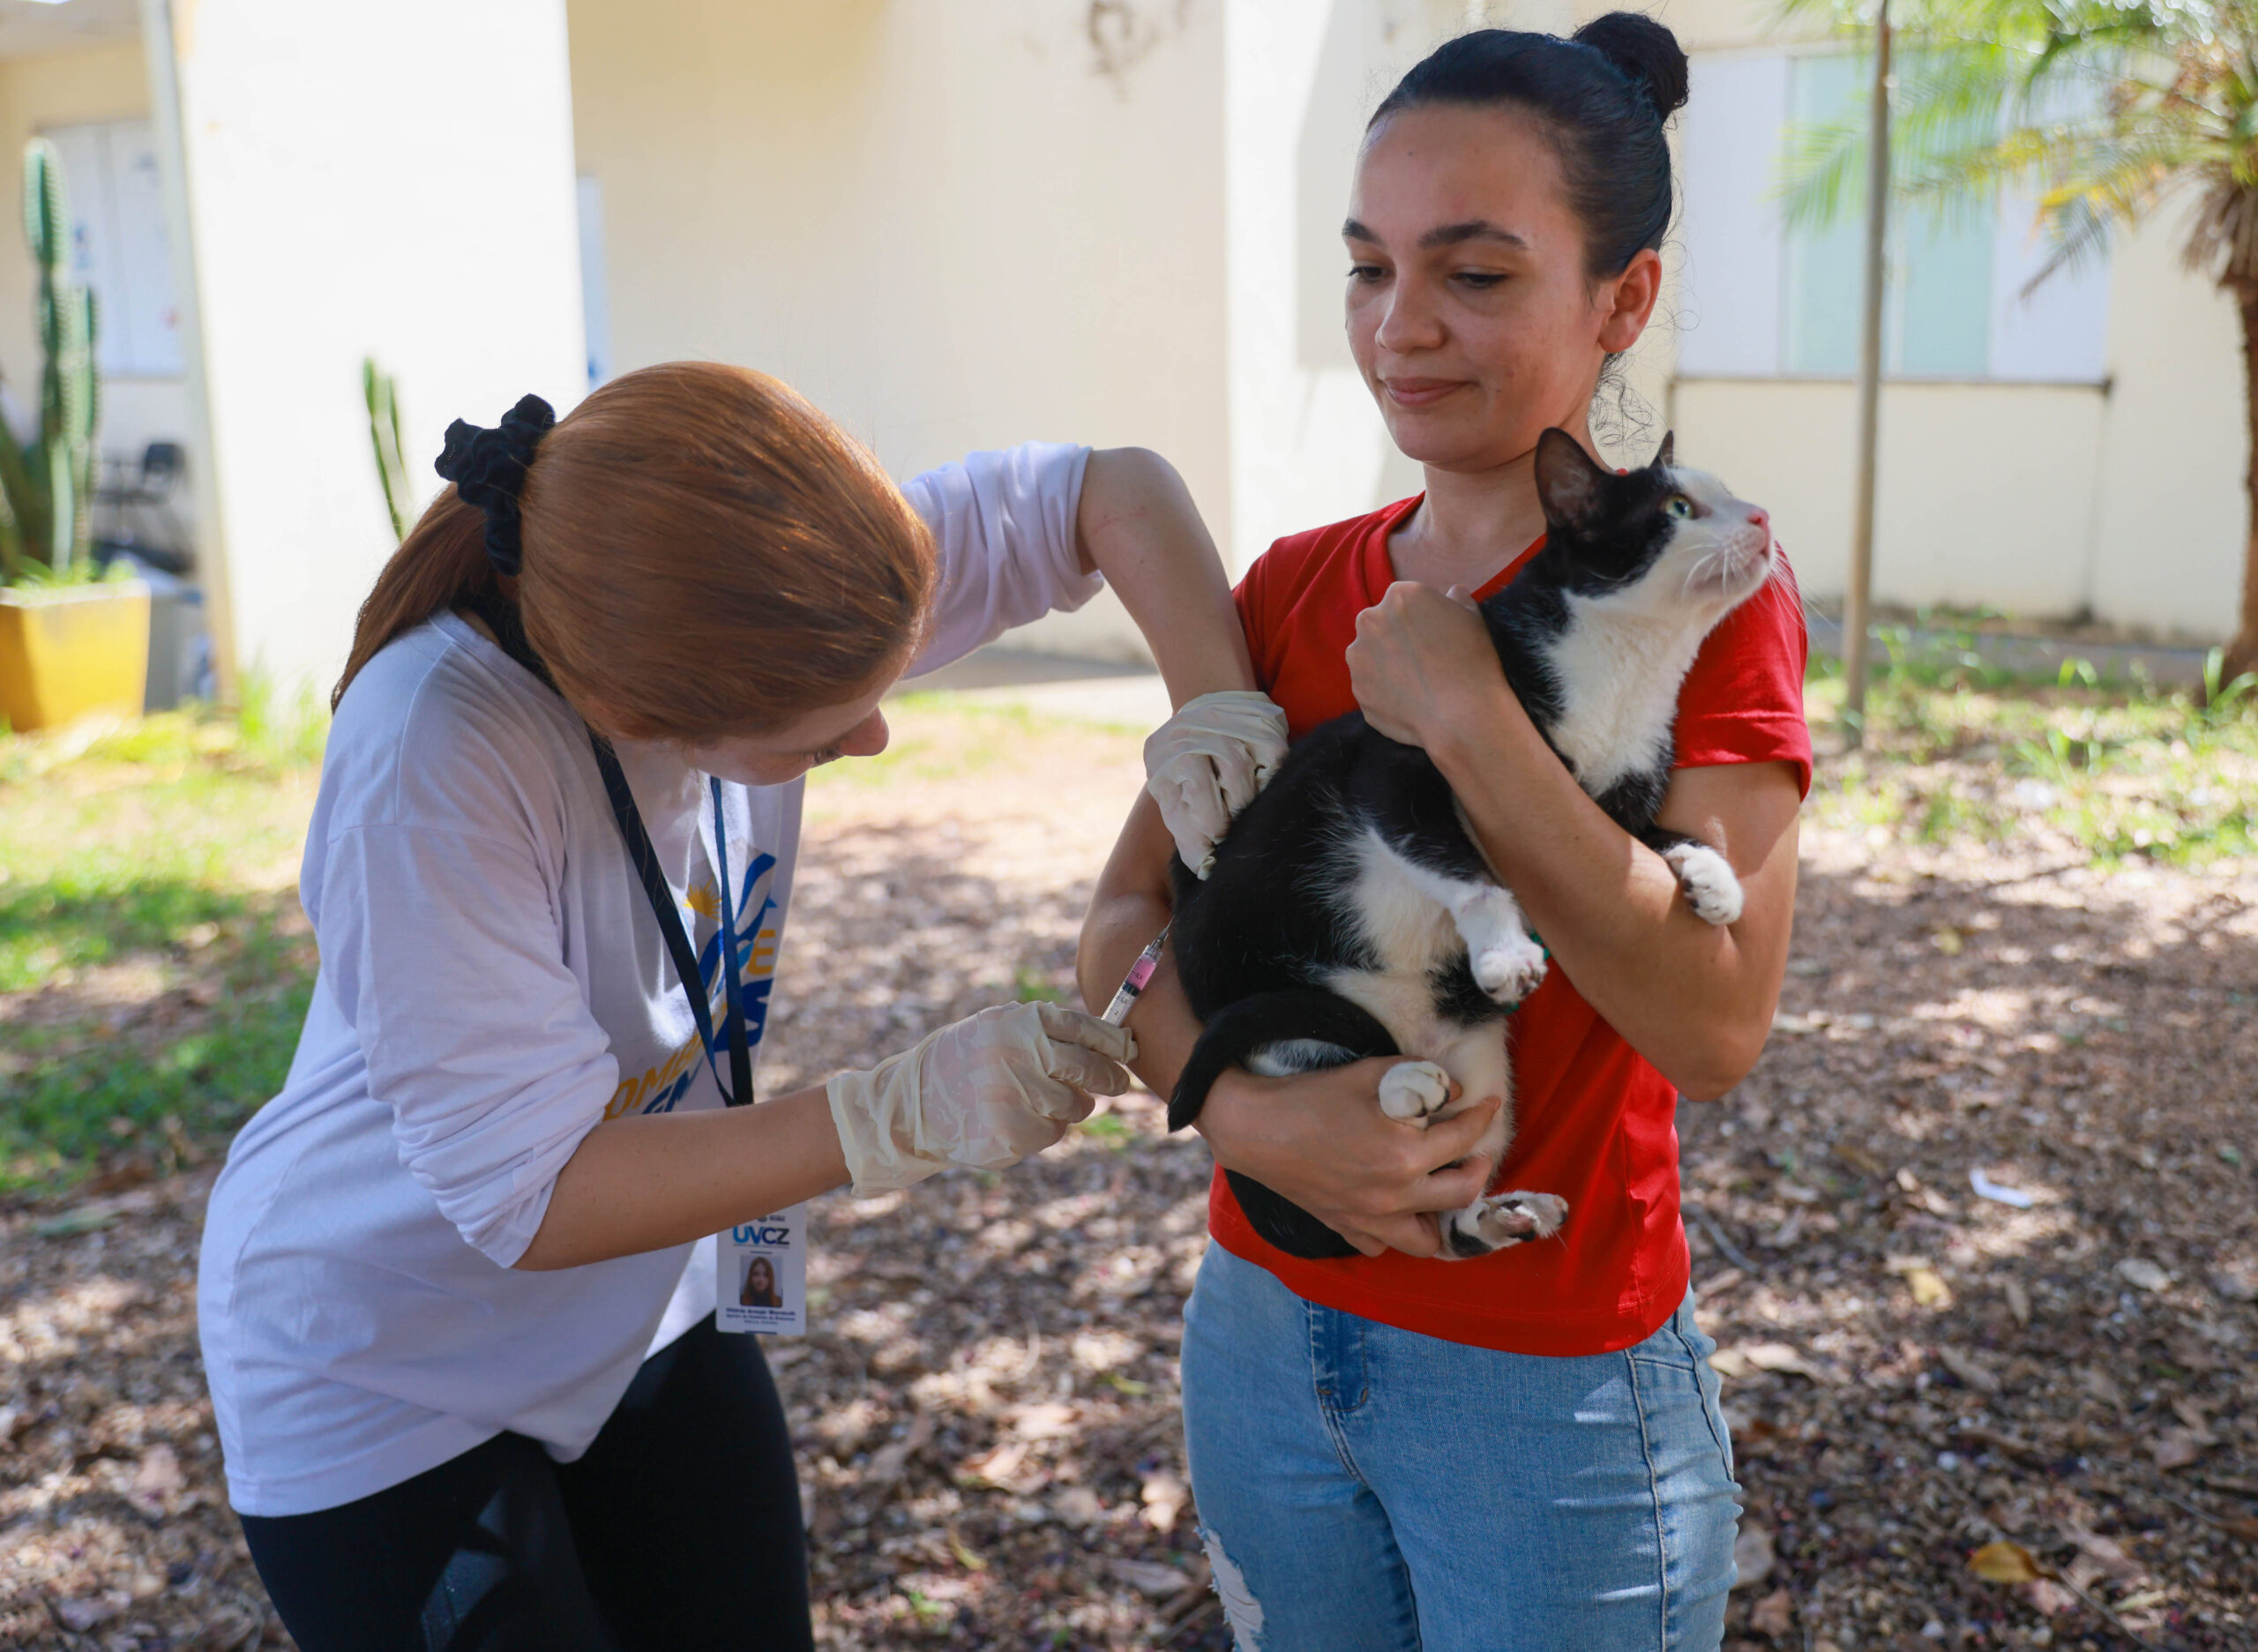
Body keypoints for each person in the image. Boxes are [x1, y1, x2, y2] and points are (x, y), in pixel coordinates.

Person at [198, 361, 1260, 1651]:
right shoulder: (433, 753)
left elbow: (1114, 491)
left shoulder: (774, 579)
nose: (871, 738)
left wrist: (1217, 713)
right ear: (650, 719)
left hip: (645, 1300)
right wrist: (895, 1113)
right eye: (821, 738)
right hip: (388, 1353)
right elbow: (528, 1193)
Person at [1082, 18, 1812, 1648]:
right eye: (1366, 267)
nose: (1400, 326)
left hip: (1545, 1385)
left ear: (1624, 298)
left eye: (1475, 275)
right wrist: (1240, 1117)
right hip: (1262, 1333)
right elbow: (1116, 929)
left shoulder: (1713, 605)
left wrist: (1471, 714)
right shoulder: (1284, 586)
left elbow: (1713, 1023)